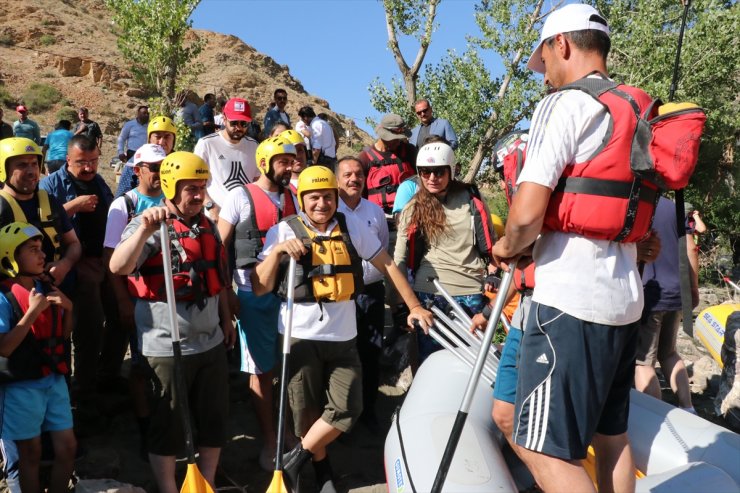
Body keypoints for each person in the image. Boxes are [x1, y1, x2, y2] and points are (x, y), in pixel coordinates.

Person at [491, 4, 658, 491]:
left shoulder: (564, 104)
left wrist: (507, 246)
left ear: (560, 44)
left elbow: (525, 215)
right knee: (612, 438)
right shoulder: (636, 111)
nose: (545, 75)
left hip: (569, 302)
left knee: (547, 452)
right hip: (624, 302)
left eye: (544, 60)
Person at [251, 166, 432, 493]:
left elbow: (387, 264)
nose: (322, 204)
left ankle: (293, 460)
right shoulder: (283, 231)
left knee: (348, 408)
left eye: (327, 197)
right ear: (302, 199)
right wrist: (278, 251)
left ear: (336, 198)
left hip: (343, 337)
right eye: (314, 197)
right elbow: (260, 287)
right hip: (300, 337)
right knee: (305, 416)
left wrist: (415, 306)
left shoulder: (352, 227)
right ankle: (323, 475)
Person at [109, 152, 235, 492]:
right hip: (167, 342)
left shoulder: (207, 225)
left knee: (213, 420)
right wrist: (146, 229)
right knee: (168, 423)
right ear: (169, 186)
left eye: (201, 187)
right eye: (190, 189)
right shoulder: (148, 223)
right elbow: (118, 267)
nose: (198, 195)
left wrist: (227, 319)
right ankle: (168, 487)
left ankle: (205, 483)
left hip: (209, 339)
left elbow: (219, 280)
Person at [217, 136, 297, 471]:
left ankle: (291, 433)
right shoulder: (240, 196)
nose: (290, 167)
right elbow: (219, 248)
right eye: (283, 161)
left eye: (292, 161)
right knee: (260, 371)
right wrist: (226, 294)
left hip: (290, 293)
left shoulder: (296, 196)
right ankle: (270, 440)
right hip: (252, 295)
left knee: (291, 367)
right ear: (265, 162)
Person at [394, 142, 495, 364]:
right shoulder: (413, 207)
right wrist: (405, 304)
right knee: (430, 362)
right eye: (425, 172)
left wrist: (493, 273)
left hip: (470, 291)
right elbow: (399, 260)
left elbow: (490, 246)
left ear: (451, 170)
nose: (432, 177)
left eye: (439, 171)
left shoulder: (472, 200)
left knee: (470, 363)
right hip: (428, 293)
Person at [0, 222, 76, 493]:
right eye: (33, 250)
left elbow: (63, 334)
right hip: (21, 385)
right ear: (10, 256)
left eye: (41, 248)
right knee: (29, 454)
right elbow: (4, 348)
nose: (42, 255)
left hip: (53, 379)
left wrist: (68, 308)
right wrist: (31, 312)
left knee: (67, 448)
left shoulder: (46, 287)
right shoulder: (4, 296)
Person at [40, 135, 116, 405]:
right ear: (68, 160)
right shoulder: (50, 185)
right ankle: (81, 393)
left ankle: (106, 377)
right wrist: (74, 206)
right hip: (73, 267)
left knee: (117, 321)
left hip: (104, 261)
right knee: (87, 328)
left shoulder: (98, 181)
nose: (89, 168)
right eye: (82, 162)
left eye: (94, 161)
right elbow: (40, 224)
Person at [103, 144, 167, 456]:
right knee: (141, 366)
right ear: (137, 170)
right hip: (138, 300)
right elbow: (111, 257)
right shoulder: (124, 204)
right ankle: (144, 426)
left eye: (162, 166)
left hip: (169, 300)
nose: (158, 173)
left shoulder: (173, 200)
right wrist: (122, 301)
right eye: (152, 167)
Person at [336, 156, 389, 431]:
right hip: (341, 295)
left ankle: (368, 411)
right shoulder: (329, 211)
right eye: (347, 174)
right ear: (337, 178)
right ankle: (341, 416)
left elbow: (383, 251)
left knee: (371, 351)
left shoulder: (375, 212)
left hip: (371, 291)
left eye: (358, 174)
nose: (353, 179)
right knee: (343, 355)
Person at [635, 196, 698, 412]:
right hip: (677, 291)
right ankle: (688, 407)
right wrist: (693, 289)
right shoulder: (675, 207)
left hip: (649, 293)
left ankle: (658, 417)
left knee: (643, 362)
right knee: (669, 353)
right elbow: (691, 249)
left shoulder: (639, 203)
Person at [194, 97, 260, 221]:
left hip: (247, 219)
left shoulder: (254, 146)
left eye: (243, 124)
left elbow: (257, 181)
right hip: (217, 218)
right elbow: (197, 182)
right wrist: (211, 207)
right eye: (234, 123)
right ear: (224, 119)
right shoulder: (206, 144)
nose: (239, 128)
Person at [357, 114, 417, 217]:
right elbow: (359, 194)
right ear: (383, 135)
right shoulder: (364, 158)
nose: (398, 142)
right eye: (394, 139)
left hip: (410, 214)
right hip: (378, 217)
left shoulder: (410, 151)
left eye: (400, 138)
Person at [115, 115, 178, 198]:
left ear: (173, 140)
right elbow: (121, 198)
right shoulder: (135, 163)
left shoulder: (179, 163)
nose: (162, 142)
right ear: (149, 139)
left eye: (167, 137)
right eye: (157, 137)